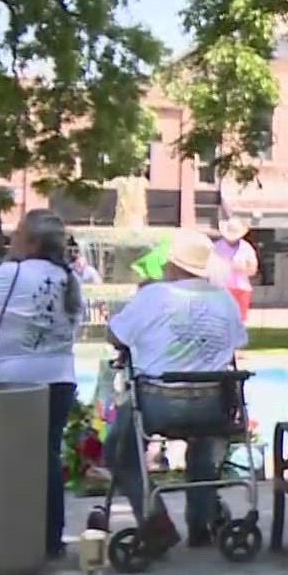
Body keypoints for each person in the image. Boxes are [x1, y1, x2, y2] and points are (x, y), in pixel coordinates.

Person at [105, 229, 249, 548]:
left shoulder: (154, 296)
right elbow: (238, 342)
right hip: (212, 401)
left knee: (119, 449)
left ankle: (154, 518)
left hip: (160, 402)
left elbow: (115, 335)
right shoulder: (224, 299)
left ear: (172, 264)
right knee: (203, 446)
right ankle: (201, 521)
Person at [0, 209, 86, 559]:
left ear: (31, 241)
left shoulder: (9, 274)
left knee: (2, 459)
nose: (11, 238)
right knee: (47, 458)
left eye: (18, 233)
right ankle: (50, 537)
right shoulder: (70, 280)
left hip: (11, 377)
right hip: (58, 377)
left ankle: (4, 532)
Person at [210, 217, 259, 321]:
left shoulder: (246, 248)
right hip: (221, 288)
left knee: (240, 320)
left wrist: (241, 268)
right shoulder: (216, 247)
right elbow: (210, 267)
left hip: (241, 288)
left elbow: (253, 270)